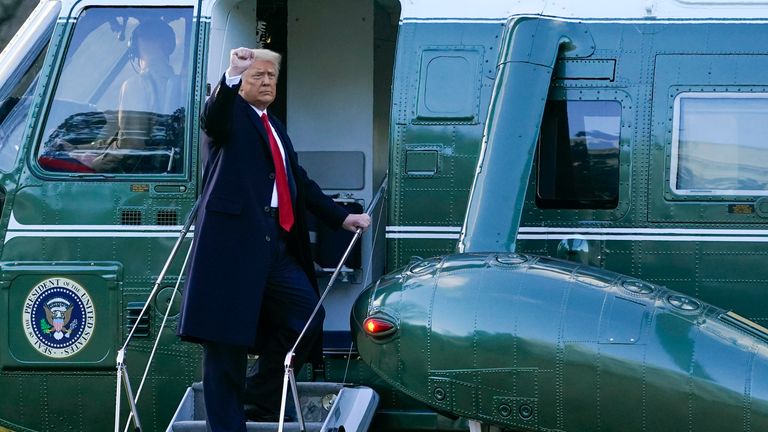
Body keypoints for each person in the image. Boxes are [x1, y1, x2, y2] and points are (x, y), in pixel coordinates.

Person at [177, 47, 371, 431]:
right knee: (224, 344)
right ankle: (228, 426)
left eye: (271, 77)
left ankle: (263, 399)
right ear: (241, 83)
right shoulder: (229, 113)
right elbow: (211, 116)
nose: (266, 83)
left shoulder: (274, 125)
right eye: (257, 77)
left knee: (306, 317)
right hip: (232, 247)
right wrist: (232, 73)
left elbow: (298, 180)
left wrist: (341, 216)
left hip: (273, 243)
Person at [42, 18, 181, 173]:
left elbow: (131, 146)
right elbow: (124, 138)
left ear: (134, 47)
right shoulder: (179, 83)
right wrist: (77, 149)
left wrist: (92, 163)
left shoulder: (136, 85)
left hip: (134, 173)